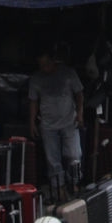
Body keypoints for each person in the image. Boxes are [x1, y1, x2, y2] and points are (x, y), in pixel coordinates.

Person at [29, 49, 87, 194]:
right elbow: (33, 101)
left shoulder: (68, 73)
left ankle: (74, 183)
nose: (44, 68)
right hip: (48, 123)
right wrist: (32, 123)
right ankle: (59, 188)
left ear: (53, 61)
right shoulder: (36, 78)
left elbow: (79, 94)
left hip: (69, 121)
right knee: (52, 160)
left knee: (74, 155)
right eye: (41, 65)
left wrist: (80, 114)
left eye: (47, 64)